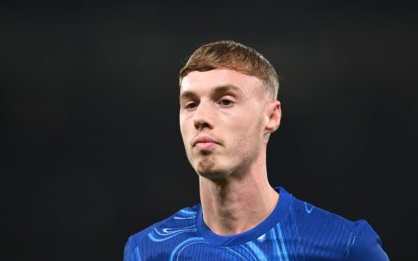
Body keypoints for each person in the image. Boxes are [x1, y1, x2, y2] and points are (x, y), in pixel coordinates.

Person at [123, 40, 388, 260]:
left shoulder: (344, 246)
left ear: (271, 117)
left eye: (225, 101)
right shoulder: (147, 251)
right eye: (190, 104)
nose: (200, 117)